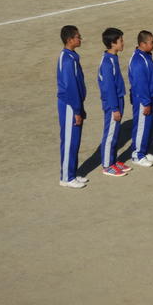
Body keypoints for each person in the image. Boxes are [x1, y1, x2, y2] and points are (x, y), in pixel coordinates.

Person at [57, 25, 88, 188]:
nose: (80, 39)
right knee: (69, 141)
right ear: (70, 40)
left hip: (74, 104)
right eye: (78, 37)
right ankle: (67, 178)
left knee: (74, 140)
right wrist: (77, 110)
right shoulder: (68, 60)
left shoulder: (71, 56)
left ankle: (72, 173)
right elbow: (70, 87)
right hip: (70, 105)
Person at [128, 30, 153, 167]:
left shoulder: (146, 55)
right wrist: (146, 102)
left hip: (151, 96)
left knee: (148, 126)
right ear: (142, 44)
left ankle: (144, 150)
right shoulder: (138, 61)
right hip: (143, 99)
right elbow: (140, 84)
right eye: (151, 42)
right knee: (141, 127)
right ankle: (137, 154)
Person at [98, 27, 130, 177]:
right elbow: (109, 88)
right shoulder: (107, 63)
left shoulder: (113, 58)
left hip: (118, 100)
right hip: (113, 103)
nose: (123, 43)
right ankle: (107, 165)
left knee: (115, 133)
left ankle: (113, 161)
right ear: (113, 43)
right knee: (110, 134)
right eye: (120, 41)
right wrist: (115, 108)